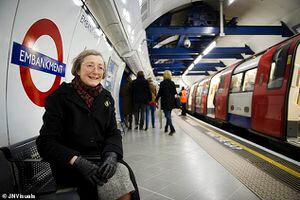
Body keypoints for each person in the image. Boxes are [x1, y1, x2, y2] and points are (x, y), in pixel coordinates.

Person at [36, 50, 139, 200]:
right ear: (77, 69)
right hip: (69, 165)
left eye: (100, 67)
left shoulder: (106, 97)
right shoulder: (59, 97)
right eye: (90, 65)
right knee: (116, 179)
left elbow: (112, 132)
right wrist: (77, 161)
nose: (95, 72)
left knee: (121, 171)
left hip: (100, 158)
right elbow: (46, 142)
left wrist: (112, 154)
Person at [155, 70, 177, 135]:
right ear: (170, 75)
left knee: (167, 115)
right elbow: (175, 92)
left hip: (165, 101)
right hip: (171, 101)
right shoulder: (172, 83)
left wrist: (156, 100)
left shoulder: (162, 83)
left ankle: (172, 128)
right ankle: (166, 127)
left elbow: (159, 93)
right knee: (168, 115)